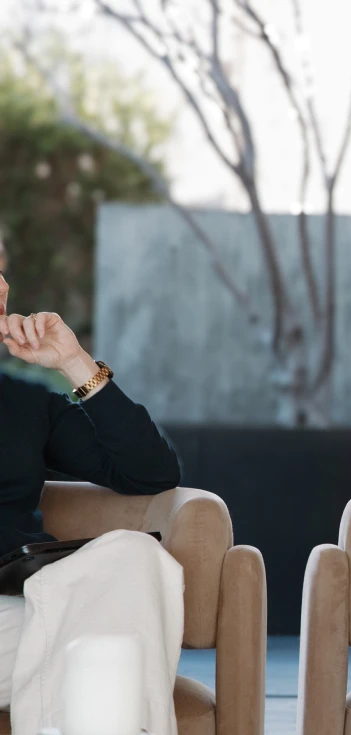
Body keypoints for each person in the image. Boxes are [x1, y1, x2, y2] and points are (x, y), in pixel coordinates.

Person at [0, 268, 184, 735]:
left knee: (135, 555)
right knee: (110, 654)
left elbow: (151, 473)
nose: (2, 285)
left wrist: (75, 362)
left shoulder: (23, 404)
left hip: (23, 611)